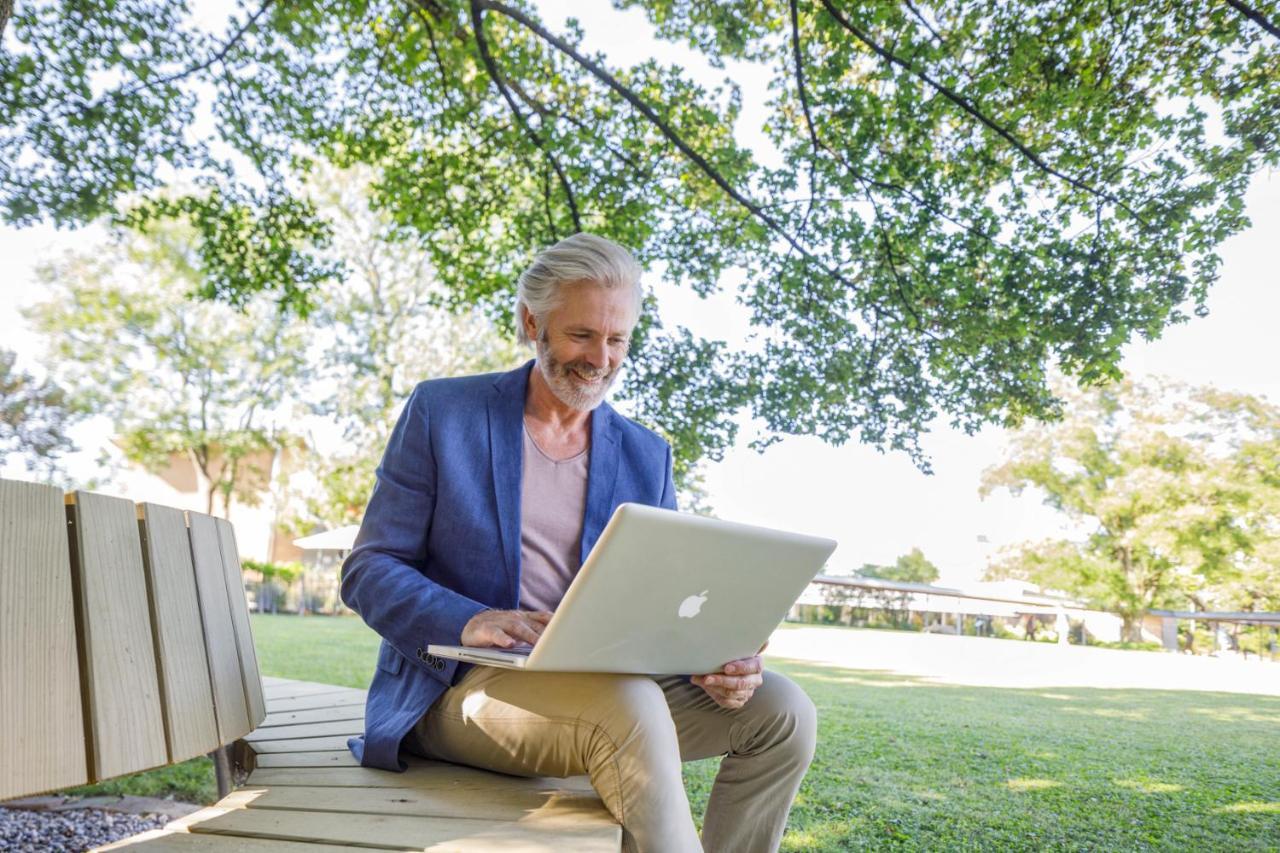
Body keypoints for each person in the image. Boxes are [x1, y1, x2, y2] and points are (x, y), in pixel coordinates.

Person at [340, 233, 816, 852]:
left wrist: (714, 656)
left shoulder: (647, 455)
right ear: (530, 323)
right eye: (581, 335)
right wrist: (473, 619)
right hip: (462, 690)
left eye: (617, 339)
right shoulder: (444, 413)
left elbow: (663, 600)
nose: (601, 358)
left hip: (609, 686)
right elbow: (369, 568)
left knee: (784, 712)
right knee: (628, 705)